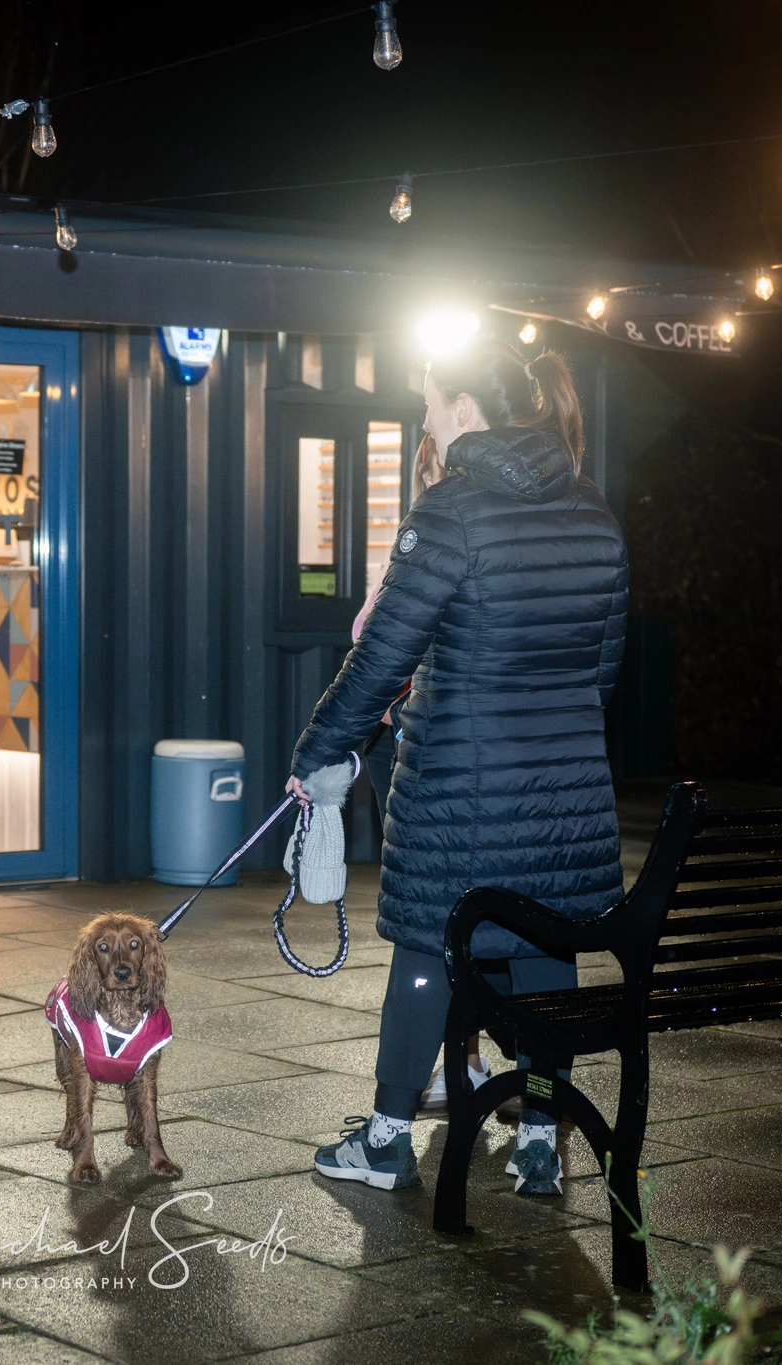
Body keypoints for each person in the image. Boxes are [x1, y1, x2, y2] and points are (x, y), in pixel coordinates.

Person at [292, 340, 627, 1196]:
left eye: (435, 402)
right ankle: (541, 1143)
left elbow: (381, 659)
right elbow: (603, 673)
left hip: (459, 796)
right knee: (543, 956)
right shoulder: (595, 513)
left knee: (427, 949)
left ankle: (389, 1137)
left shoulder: (450, 514)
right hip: (565, 796)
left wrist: (321, 751)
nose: (428, 420)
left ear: (470, 410)